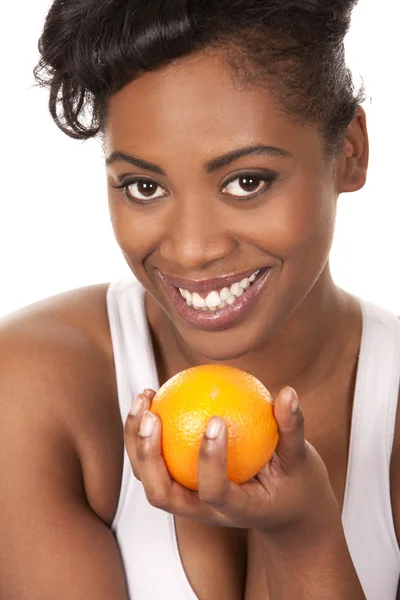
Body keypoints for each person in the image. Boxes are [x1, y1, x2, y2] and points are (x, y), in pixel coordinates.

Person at [1, 0, 399, 598]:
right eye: (144, 186)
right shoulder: (33, 386)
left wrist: (303, 536)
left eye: (246, 182)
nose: (191, 250)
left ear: (349, 152)